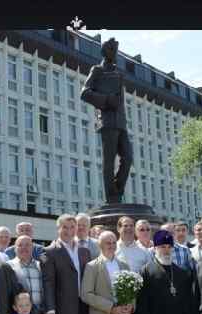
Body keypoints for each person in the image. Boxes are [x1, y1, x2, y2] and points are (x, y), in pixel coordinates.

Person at [80, 37, 132, 204]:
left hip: (121, 123)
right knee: (109, 161)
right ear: (106, 52)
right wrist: (107, 100)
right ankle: (112, 197)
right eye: (113, 50)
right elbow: (85, 93)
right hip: (108, 122)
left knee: (128, 157)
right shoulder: (97, 70)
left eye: (116, 50)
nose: (115, 53)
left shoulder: (119, 73)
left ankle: (118, 190)